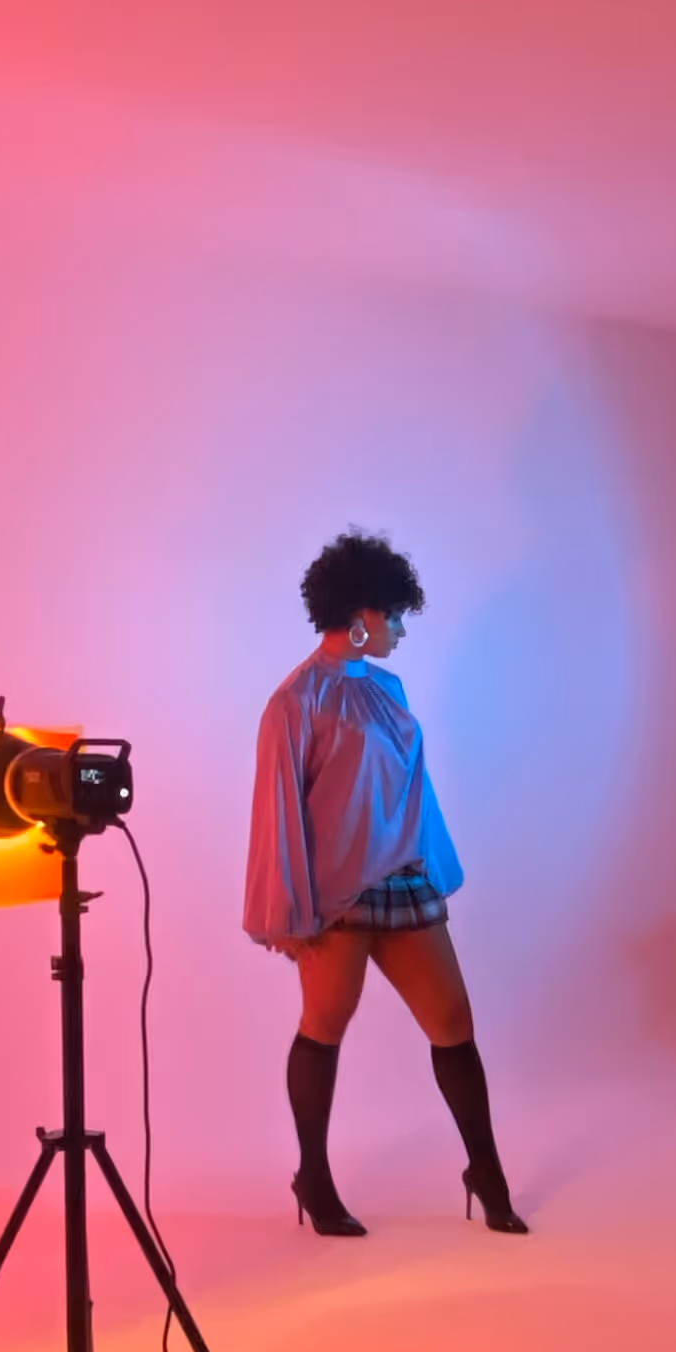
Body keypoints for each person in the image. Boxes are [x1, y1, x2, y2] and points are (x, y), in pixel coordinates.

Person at [242, 530, 526, 1236]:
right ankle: (312, 1174)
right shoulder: (294, 700)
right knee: (325, 1026)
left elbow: (411, 789)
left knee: (453, 1024)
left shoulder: (388, 688)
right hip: (337, 898)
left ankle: (484, 1167)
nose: (401, 629)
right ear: (362, 615)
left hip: (402, 881)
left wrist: (430, 862)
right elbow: (278, 810)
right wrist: (289, 910)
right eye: (396, 615)